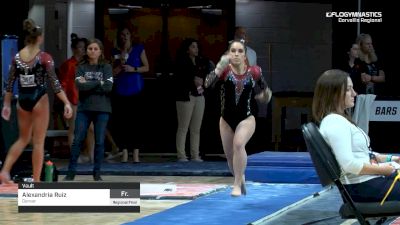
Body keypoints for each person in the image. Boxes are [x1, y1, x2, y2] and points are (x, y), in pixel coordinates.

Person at [0, 18, 73, 183]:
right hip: (39, 98)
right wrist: (66, 102)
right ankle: (37, 180)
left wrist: (6, 105)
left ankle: (5, 171)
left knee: (23, 139)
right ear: (39, 37)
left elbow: (10, 84)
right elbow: (55, 83)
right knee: (39, 142)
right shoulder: (44, 58)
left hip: (23, 99)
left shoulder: (17, 58)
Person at [312, 69, 400, 202]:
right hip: (364, 188)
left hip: (369, 184)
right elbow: (349, 164)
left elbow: (362, 153)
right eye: (348, 90)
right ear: (333, 93)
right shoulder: (334, 122)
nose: (354, 93)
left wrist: (391, 158)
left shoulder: (339, 120)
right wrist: (383, 170)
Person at [205, 40, 272, 196]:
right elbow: (207, 85)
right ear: (228, 54)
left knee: (239, 144)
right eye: (233, 51)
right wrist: (218, 68)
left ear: (244, 55)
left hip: (247, 118)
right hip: (226, 120)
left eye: (240, 51)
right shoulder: (224, 71)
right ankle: (240, 177)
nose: (236, 54)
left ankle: (236, 185)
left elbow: (266, 90)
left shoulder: (254, 72)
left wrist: (265, 96)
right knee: (230, 157)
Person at [63, 39, 113, 181]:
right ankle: (71, 172)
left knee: (99, 141)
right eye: (90, 48)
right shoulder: (81, 67)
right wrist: (99, 82)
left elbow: (108, 87)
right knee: (78, 139)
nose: (92, 51)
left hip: (102, 109)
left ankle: (97, 173)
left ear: (100, 51)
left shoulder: (106, 67)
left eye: (95, 49)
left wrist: (90, 83)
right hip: (84, 109)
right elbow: (80, 86)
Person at [110, 24, 149, 163]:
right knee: (123, 122)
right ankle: (125, 152)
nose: (124, 36)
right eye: (122, 34)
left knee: (136, 122)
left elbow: (147, 67)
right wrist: (120, 65)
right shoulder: (115, 51)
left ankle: (136, 153)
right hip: (121, 89)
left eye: (127, 33)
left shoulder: (139, 49)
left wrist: (134, 69)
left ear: (130, 35)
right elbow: (111, 72)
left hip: (136, 89)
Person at [58, 33, 95, 163]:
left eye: (84, 47)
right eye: (80, 47)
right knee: (74, 129)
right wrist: (65, 102)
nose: (83, 49)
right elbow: (62, 84)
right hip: (73, 99)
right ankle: (76, 155)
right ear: (74, 49)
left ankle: (91, 156)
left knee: (91, 128)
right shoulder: (68, 65)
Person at [174, 38, 211, 162]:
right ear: (187, 49)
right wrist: (192, 80)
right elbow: (179, 79)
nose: (196, 49)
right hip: (186, 96)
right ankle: (181, 155)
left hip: (199, 95)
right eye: (193, 46)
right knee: (183, 127)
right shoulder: (181, 61)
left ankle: (195, 154)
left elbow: (206, 76)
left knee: (196, 128)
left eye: (197, 46)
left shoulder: (201, 62)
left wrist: (202, 81)